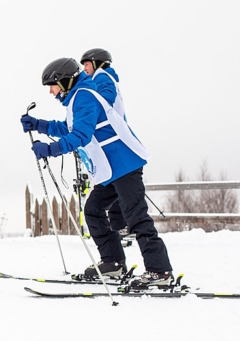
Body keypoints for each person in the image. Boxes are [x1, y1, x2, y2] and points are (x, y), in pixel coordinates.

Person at [19, 57, 173, 288]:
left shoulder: (84, 96)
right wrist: (39, 124)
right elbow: (68, 128)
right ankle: (113, 263)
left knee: (135, 216)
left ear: (64, 81)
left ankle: (160, 272)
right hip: (110, 169)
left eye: (52, 86)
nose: (51, 92)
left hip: (124, 163)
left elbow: (80, 135)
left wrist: (50, 149)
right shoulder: (78, 98)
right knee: (93, 210)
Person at [81, 48, 128, 239]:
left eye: (86, 64)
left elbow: (103, 100)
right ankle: (119, 227)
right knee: (115, 187)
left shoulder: (101, 77)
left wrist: (88, 112)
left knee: (114, 186)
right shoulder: (105, 78)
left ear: (97, 62)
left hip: (110, 140)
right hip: (114, 139)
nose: (83, 68)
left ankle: (119, 228)